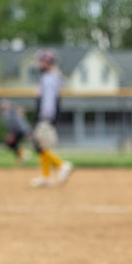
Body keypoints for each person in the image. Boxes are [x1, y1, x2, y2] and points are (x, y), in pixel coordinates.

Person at [29, 50, 74, 188]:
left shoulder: (49, 78)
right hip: (48, 116)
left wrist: (45, 117)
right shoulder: (53, 77)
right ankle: (46, 176)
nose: (39, 64)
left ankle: (62, 165)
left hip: (46, 116)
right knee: (42, 146)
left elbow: (48, 100)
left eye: (42, 61)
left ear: (48, 63)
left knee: (40, 145)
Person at [0, 99, 36, 164]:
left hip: (20, 130)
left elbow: (19, 123)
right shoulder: (5, 114)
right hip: (17, 131)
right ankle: (22, 155)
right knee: (10, 144)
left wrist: (25, 131)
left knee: (11, 143)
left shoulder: (12, 112)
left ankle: (23, 154)